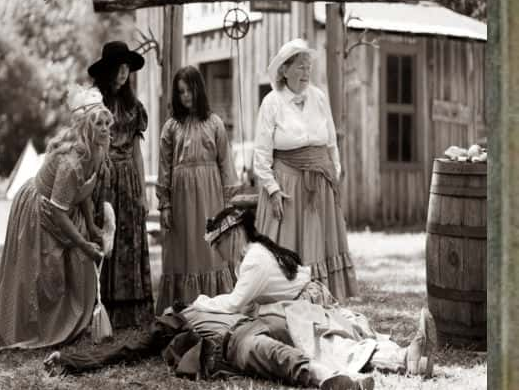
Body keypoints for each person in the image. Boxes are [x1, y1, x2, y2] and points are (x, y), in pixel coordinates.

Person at [44, 207, 436, 390]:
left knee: (328, 336)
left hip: (282, 314)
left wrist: (199, 301)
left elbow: (232, 305)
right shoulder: (180, 317)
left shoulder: (251, 262)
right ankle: (370, 367)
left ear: (229, 236)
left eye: (217, 245)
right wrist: (71, 360)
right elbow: (129, 347)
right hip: (253, 328)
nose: (216, 255)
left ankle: (395, 360)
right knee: (304, 342)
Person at [0, 86, 113, 351]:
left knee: (78, 269)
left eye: (106, 123)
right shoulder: (71, 162)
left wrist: (91, 226)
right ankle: (37, 330)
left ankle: (71, 326)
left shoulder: (98, 151)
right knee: (46, 274)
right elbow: (58, 210)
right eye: (97, 123)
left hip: (66, 207)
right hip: (41, 208)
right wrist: (83, 243)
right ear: (86, 127)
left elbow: (84, 191)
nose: (104, 129)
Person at [253, 38, 357, 301]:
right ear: (284, 70)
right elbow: (262, 155)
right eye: (299, 66)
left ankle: (322, 299)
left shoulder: (319, 97)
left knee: (320, 244)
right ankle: (288, 299)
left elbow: (331, 142)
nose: (306, 72)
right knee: (289, 246)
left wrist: (335, 174)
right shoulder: (271, 102)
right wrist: (273, 190)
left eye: (308, 66)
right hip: (287, 185)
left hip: (320, 184)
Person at [156, 65, 239, 315]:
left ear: (198, 90)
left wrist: (228, 203)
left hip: (210, 196)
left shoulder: (215, 123)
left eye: (189, 90)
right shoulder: (171, 127)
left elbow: (226, 163)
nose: (185, 96)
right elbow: (164, 169)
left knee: (209, 250)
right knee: (183, 249)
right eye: (180, 92)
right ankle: (182, 306)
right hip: (181, 199)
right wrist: (165, 204)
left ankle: (214, 304)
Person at [89, 41, 154, 329]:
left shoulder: (133, 106)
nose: (124, 73)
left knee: (130, 239)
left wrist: (141, 191)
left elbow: (138, 153)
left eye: (128, 68)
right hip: (103, 175)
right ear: (109, 70)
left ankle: (132, 310)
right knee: (104, 237)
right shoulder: (94, 102)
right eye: (119, 67)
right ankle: (101, 308)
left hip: (128, 177)